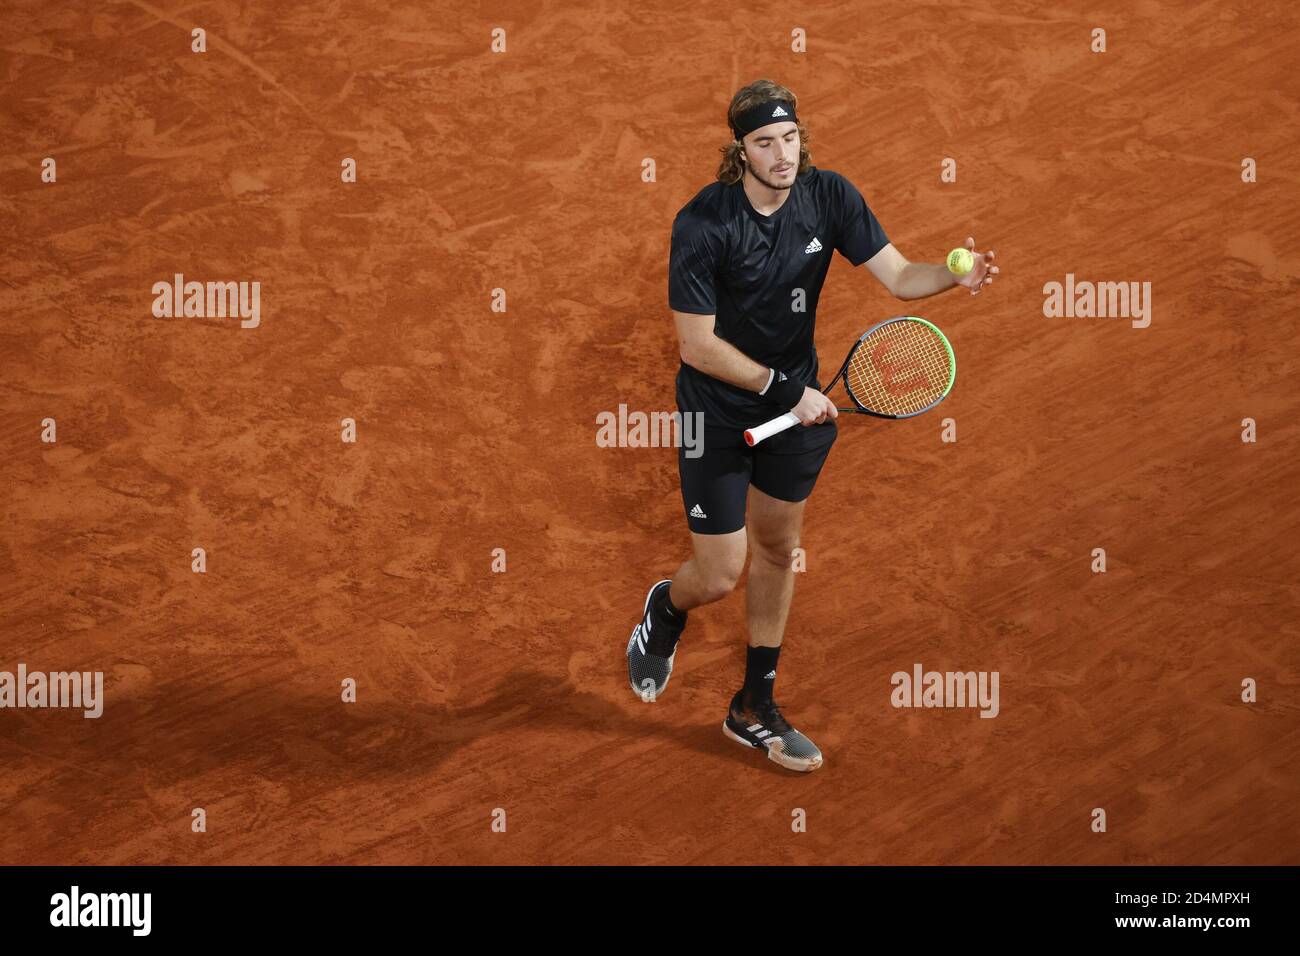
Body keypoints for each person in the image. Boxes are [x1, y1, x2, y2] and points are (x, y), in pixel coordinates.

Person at [626, 78, 998, 772]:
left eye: (790, 138)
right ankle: (667, 609)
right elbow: (697, 345)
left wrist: (956, 277)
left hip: (796, 409)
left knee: (776, 547)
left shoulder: (830, 197)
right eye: (765, 143)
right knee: (720, 573)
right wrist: (784, 389)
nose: (782, 154)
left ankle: (753, 707)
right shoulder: (704, 224)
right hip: (718, 411)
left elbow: (900, 277)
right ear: (738, 153)